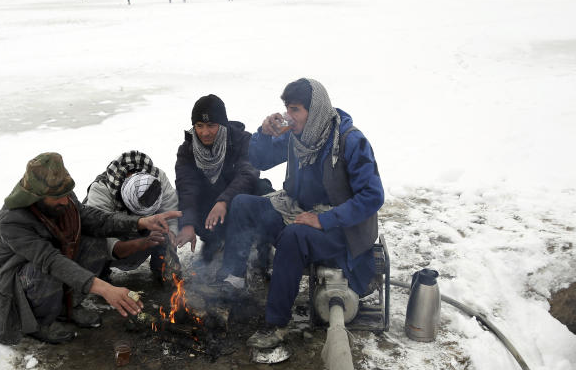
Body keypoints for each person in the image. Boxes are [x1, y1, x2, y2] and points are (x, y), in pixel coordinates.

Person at [217, 78, 383, 349]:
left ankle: (276, 324)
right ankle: (233, 283)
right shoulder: (298, 136)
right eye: (287, 109)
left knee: (293, 237)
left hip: (342, 230)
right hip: (300, 212)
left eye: (295, 110)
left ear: (314, 111)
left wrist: (324, 219)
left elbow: (373, 196)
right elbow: (259, 160)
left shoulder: (350, 141)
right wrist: (264, 132)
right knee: (245, 204)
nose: (289, 117)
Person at [0, 152, 180, 345]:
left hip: (53, 260)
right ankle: (41, 321)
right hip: (17, 279)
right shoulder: (12, 220)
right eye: (58, 198)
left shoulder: (62, 196)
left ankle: (68, 307)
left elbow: (95, 220)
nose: (66, 202)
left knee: (95, 242)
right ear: (36, 197)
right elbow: (50, 260)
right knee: (42, 270)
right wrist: (106, 289)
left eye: (67, 195)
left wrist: (141, 222)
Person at [174, 95, 261, 263]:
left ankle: (260, 245)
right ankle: (213, 240)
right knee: (179, 204)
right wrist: (188, 224)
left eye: (211, 125)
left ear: (222, 124)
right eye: (199, 126)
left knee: (262, 190)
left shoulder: (243, 140)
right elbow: (186, 187)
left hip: (235, 202)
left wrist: (224, 201)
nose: (205, 132)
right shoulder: (187, 150)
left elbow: (248, 174)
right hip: (208, 208)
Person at [84, 150, 179, 279]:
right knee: (90, 240)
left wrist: (172, 235)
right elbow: (105, 240)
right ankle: (102, 282)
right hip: (115, 238)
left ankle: (162, 272)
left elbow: (170, 209)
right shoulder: (101, 190)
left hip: (148, 234)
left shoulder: (157, 178)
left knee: (166, 232)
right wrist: (141, 243)